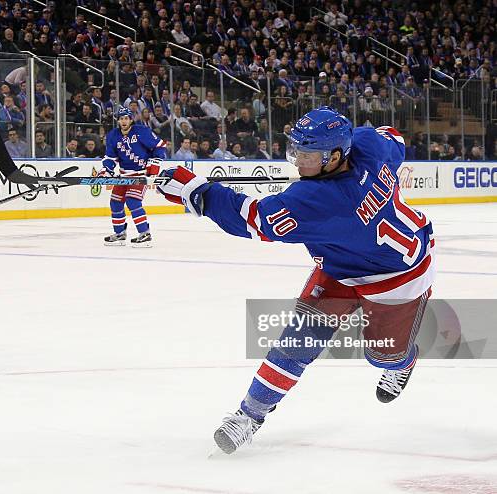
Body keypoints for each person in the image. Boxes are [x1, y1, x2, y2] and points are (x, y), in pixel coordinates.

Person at [156, 106, 434, 454]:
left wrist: (196, 192)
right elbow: (392, 137)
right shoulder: (366, 145)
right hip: (340, 266)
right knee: (298, 341)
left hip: (399, 277)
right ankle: (249, 416)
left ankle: (403, 361)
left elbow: (254, 220)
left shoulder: (319, 200)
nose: (298, 162)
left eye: (307, 155)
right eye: (297, 152)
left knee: (383, 357)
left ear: (335, 156)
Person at [100, 106, 167, 247]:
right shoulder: (113, 135)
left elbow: (160, 146)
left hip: (140, 175)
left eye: (126, 118)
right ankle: (119, 233)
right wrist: (106, 169)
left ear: (131, 119)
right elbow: (111, 157)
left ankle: (145, 234)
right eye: (121, 119)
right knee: (115, 202)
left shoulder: (142, 131)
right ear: (118, 121)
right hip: (124, 175)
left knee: (132, 201)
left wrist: (154, 163)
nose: (124, 121)